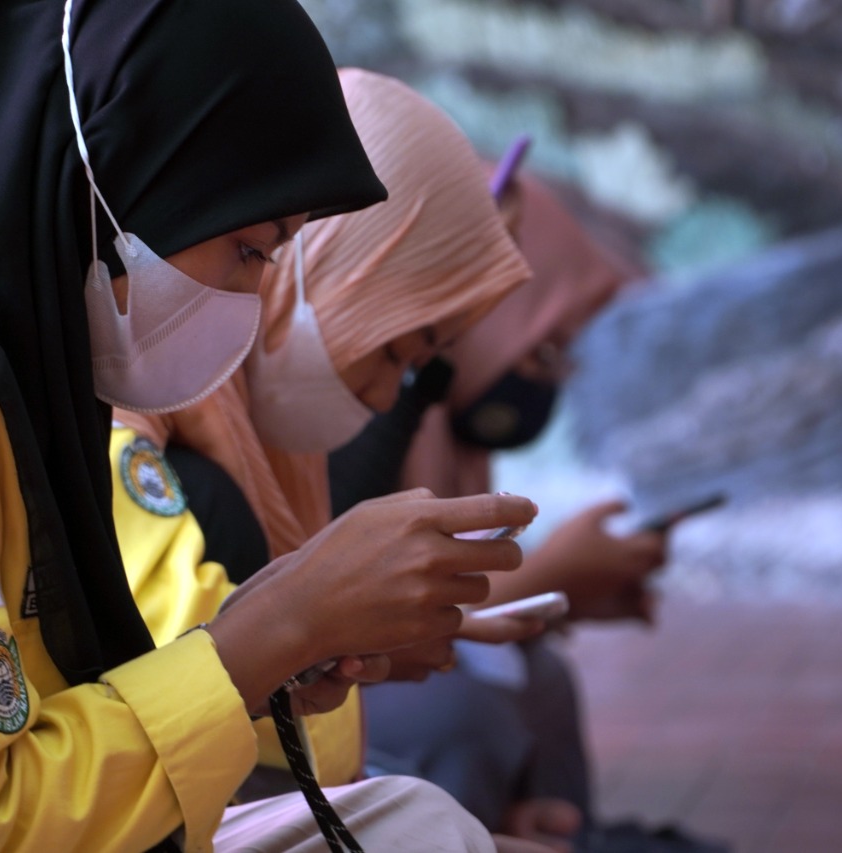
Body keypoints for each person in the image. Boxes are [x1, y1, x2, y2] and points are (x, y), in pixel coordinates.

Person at [0, 1, 536, 850]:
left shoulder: (5, 373)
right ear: (122, 173)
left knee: (419, 824)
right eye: (250, 250)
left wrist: (285, 643)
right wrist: (273, 631)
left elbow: (36, 723)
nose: (251, 298)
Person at [110, 70, 571, 851]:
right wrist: (341, 641)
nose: (391, 396)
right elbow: (170, 649)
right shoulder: (134, 402)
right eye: (397, 352)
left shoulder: (261, 432)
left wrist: (348, 638)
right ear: (321, 258)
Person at [331, 171, 729, 853]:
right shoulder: (356, 417)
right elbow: (335, 624)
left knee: (536, 672)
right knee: (454, 708)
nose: (548, 377)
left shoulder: (443, 438)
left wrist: (565, 593)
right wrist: (551, 575)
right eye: (543, 348)